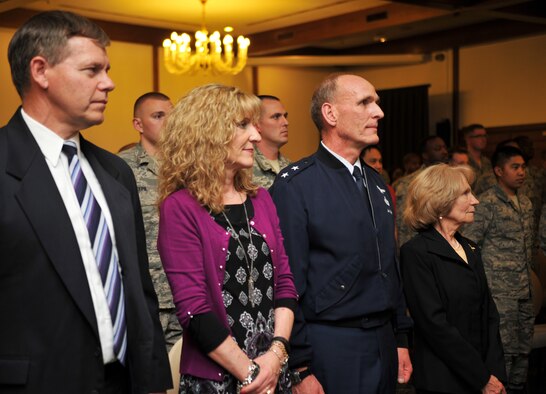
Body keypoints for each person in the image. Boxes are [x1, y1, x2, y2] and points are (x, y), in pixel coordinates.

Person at [0, 10, 171, 393]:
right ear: (41, 71)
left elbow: (140, 291)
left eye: (106, 70)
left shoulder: (114, 171)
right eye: (92, 70)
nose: (109, 83)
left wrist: (155, 380)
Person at [270, 73, 412, 394]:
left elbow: (390, 264)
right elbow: (287, 280)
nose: (379, 112)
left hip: (383, 341)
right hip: (331, 344)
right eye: (365, 102)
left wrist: (401, 337)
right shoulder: (296, 185)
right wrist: (300, 366)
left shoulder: (376, 183)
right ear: (330, 114)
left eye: (376, 102)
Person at [157, 84, 298, 394]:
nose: (257, 136)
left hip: (275, 372)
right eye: (243, 125)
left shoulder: (261, 198)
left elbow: (284, 282)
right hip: (220, 379)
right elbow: (194, 308)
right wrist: (251, 374)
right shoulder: (180, 207)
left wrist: (275, 358)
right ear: (209, 132)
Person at [401, 164, 507, 394]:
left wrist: (495, 374)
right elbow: (434, 325)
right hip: (444, 381)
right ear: (441, 200)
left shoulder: (470, 248)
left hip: (486, 377)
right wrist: (481, 377)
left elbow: (489, 315)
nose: (476, 201)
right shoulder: (416, 253)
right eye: (466, 194)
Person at [462, 146, 534, 393]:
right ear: (498, 171)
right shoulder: (487, 203)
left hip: (524, 292)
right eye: (515, 167)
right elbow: (470, 245)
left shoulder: (525, 202)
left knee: (524, 351)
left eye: (523, 166)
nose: (521, 172)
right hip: (499, 293)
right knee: (503, 351)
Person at [119, 92, 182, 351]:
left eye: (171, 115)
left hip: (184, 294)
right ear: (138, 124)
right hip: (143, 298)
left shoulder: (188, 167)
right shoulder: (121, 168)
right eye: (158, 116)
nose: (168, 122)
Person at [395, 135, 449, 247]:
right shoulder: (410, 183)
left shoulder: (452, 181)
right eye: (438, 149)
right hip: (419, 249)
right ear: (425, 155)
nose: (444, 152)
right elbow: (404, 225)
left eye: (444, 147)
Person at [252, 95, 291, 189]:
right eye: (276, 117)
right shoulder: (244, 168)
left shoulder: (291, 167)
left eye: (285, 116)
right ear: (257, 124)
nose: (286, 122)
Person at [361, 144, 396, 215]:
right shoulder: (355, 188)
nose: (379, 166)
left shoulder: (388, 189)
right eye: (373, 161)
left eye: (380, 161)